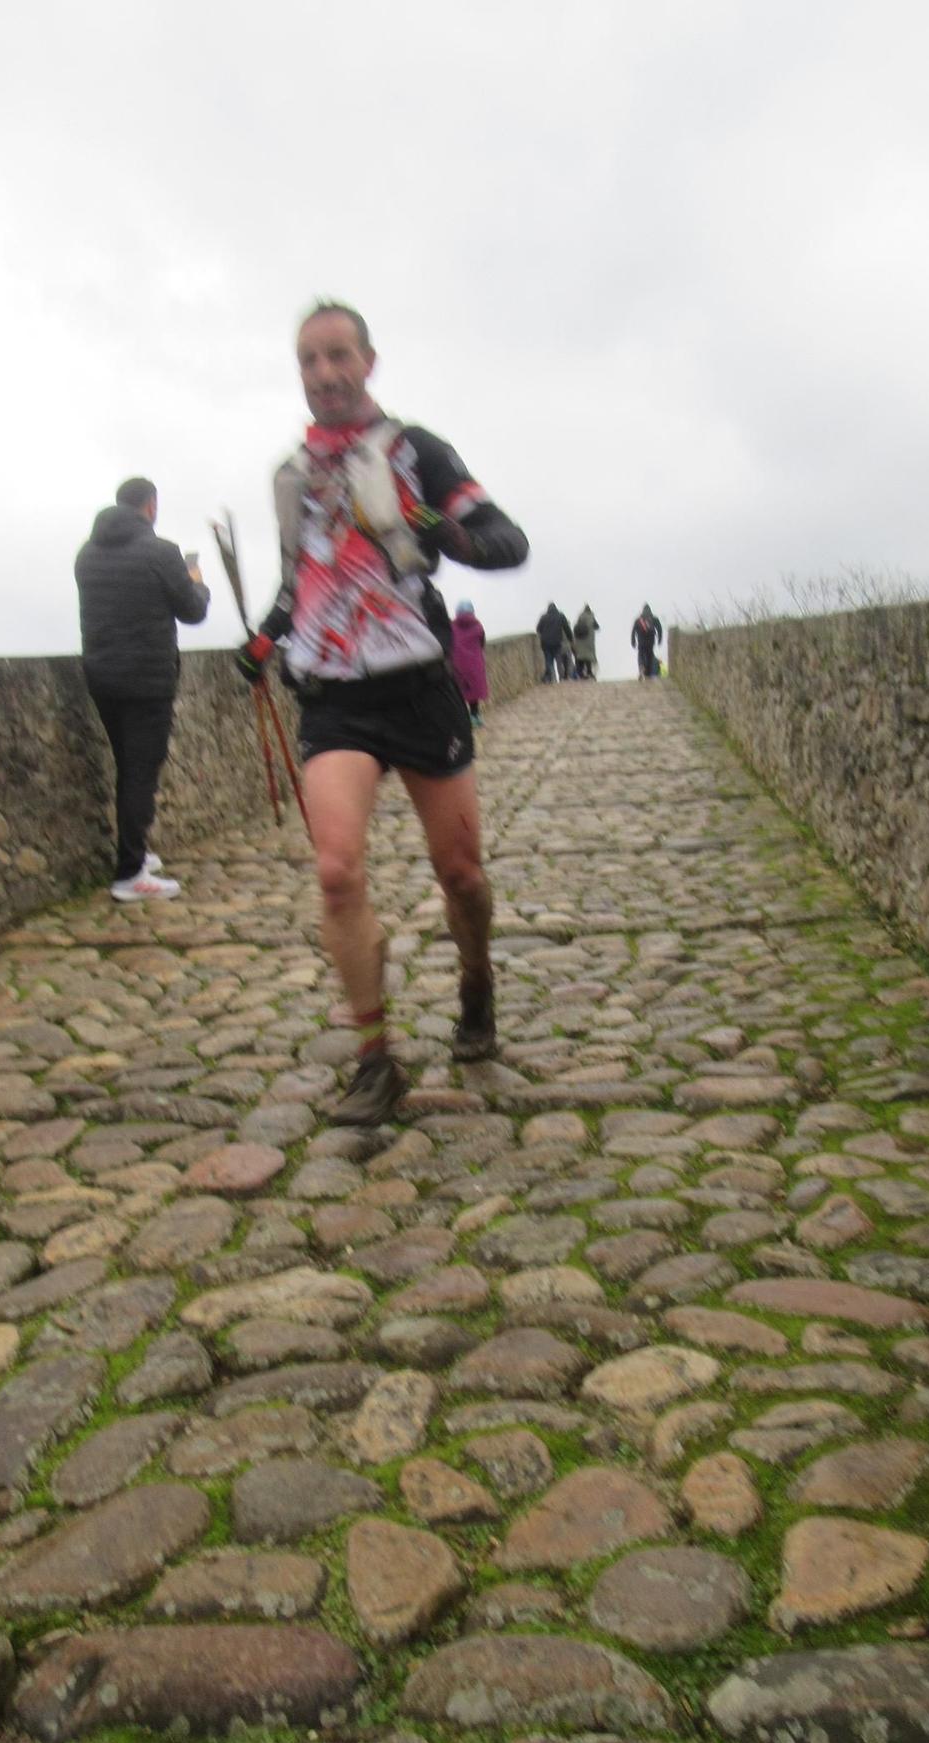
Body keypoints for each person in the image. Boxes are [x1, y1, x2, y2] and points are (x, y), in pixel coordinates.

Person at [234, 300, 529, 1125]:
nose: (324, 374)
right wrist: (265, 639)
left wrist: (423, 523)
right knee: (335, 871)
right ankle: (374, 1057)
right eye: (308, 361)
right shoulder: (292, 476)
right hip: (333, 695)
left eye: (337, 356)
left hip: (418, 684)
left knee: (461, 876)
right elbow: (301, 584)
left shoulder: (415, 451)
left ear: (368, 361)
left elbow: (507, 543)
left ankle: (475, 981)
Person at [75, 477, 209, 900]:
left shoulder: (87, 555)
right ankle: (130, 874)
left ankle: (136, 854)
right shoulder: (161, 552)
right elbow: (192, 611)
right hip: (148, 680)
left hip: (102, 676)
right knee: (140, 774)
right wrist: (196, 580)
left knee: (127, 767)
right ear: (151, 506)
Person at [451, 600, 489, 724]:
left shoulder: (452, 626)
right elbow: (482, 642)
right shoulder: (478, 626)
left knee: (460, 692)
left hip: (458, 664)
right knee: (474, 692)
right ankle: (475, 716)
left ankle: (465, 719)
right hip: (475, 663)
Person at [536, 602, 572, 683]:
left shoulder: (544, 617)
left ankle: (549, 677)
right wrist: (570, 638)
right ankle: (561, 677)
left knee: (548, 660)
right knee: (559, 660)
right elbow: (566, 628)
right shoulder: (561, 616)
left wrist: (544, 633)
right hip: (557, 642)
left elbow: (538, 629)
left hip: (546, 643)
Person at [631, 602, 663, 679]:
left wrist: (633, 641)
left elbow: (633, 631)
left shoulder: (638, 620)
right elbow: (659, 629)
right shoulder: (654, 619)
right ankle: (648, 673)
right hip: (651, 642)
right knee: (650, 656)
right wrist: (659, 639)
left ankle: (641, 667)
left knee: (641, 654)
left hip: (641, 642)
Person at [573, 604, 600, 679]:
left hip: (580, 640)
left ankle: (580, 672)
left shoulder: (580, 617)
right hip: (589, 640)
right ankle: (589, 672)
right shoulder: (591, 617)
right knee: (588, 657)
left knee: (580, 657)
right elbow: (597, 627)